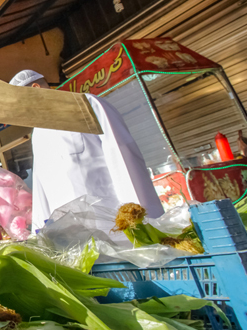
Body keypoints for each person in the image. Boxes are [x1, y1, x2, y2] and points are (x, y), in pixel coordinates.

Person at [9, 70, 164, 229]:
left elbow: (122, 155)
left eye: (22, 104)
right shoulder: (39, 134)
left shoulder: (87, 106)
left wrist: (141, 216)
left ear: (36, 88)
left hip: (112, 221)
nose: (23, 112)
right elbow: (41, 185)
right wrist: (40, 231)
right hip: (73, 234)